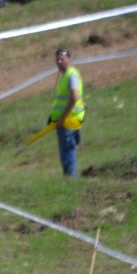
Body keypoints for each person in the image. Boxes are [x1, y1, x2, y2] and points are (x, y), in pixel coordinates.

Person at [47, 47, 85, 178]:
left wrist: (62, 118)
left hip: (69, 121)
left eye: (62, 59)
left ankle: (71, 181)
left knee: (68, 155)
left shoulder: (71, 75)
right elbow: (61, 102)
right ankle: (69, 179)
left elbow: (74, 97)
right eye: (57, 59)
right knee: (66, 155)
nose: (59, 62)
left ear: (68, 59)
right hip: (65, 121)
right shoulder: (64, 76)